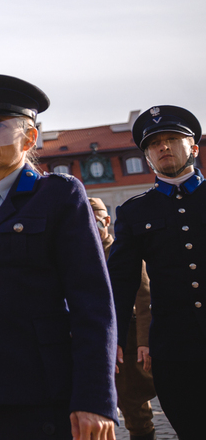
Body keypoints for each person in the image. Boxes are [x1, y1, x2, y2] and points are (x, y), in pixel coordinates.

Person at [0, 75, 118, 440]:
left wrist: (95, 397)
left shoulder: (58, 195)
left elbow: (92, 302)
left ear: (30, 137)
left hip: (43, 394)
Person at [107, 105, 204, 440]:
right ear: (148, 157)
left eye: (172, 139)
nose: (163, 146)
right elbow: (121, 281)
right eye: (154, 144)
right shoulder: (135, 212)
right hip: (175, 350)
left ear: (193, 147)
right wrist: (114, 339)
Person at [88, 198, 156, 440]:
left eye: (95, 221)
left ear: (106, 221)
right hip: (90, 339)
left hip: (125, 338)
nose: (91, 228)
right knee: (91, 406)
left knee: (134, 405)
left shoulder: (122, 250)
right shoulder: (78, 254)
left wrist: (143, 342)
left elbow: (144, 296)